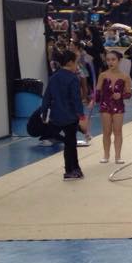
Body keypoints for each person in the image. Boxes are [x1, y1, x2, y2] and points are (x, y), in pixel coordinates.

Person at [43, 51, 90, 180]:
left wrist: (44, 112)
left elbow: (47, 96)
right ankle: (71, 170)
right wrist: (81, 116)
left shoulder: (54, 77)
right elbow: (76, 99)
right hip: (69, 116)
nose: (77, 66)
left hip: (56, 116)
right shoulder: (72, 78)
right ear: (70, 62)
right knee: (70, 144)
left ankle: (73, 169)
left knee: (69, 143)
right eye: (76, 63)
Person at [94, 50, 131, 164]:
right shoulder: (103, 75)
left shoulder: (125, 77)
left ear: (119, 61)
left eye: (113, 60)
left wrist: (121, 95)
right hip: (105, 105)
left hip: (118, 107)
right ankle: (106, 155)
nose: (110, 62)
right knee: (106, 131)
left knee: (118, 131)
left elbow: (129, 94)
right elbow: (97, 91)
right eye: (108, 60)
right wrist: (93, 100)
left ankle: (118, 156)